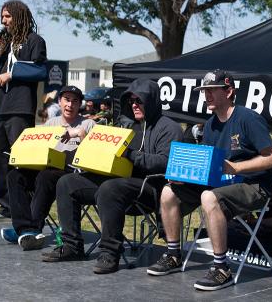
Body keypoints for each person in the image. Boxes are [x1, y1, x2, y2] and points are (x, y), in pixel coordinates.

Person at [147, 69, 272, 291]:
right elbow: (211, 165)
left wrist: (237, 166)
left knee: (209, 197)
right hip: (221, 184)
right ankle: (173, 254)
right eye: (204, 91)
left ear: (229, 91)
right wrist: (186, 176)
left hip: (254, 185)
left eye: (212, 90)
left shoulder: (248, 118)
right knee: (168, 191)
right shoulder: (210, 125)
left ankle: (222, 269)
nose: (206, 95)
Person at [42, 78, 183, 275]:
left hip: (150, 187)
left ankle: (109, 252)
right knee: (67, 182)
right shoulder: (127, 126)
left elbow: (167, 163)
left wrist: (131, 155)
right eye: (131, 101)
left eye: (139, 100)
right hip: (118, 178)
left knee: (110, 188)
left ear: (151, 100)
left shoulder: (169, 128)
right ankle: (72, 246)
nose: (134, 105)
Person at [1, 86, 95, 250]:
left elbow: (93, 156)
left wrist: (80, 134)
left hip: (73, 174)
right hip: (46, 167)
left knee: (46, 176)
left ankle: (33, 228)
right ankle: (24, 228)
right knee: (15, 176)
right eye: (66, 100)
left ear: (79, 104)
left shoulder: (88, 124)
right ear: (59, 102)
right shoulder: (51, 123)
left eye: (74, 101)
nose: (70, 105)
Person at [0, 0, 47, 223]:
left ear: (19, 16)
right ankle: (5, 205)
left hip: (20, 108)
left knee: (19, 158)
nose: (3, 21)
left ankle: (24, 205)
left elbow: (40, 70)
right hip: (0, 107)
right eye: (2, 17)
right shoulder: (3, 42)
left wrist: (13, 74)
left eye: (8, 16)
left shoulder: (35, 41)